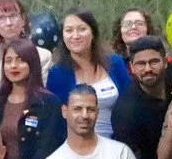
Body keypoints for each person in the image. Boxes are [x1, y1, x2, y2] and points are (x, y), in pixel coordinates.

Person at [0, 39, 65, 159]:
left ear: (32, 63)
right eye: (8, 61)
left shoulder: (49, 103)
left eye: (20, 60)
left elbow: (47, 149)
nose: (13, 66)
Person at [46, 8, 130, 138]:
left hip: (117, 144)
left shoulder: (115, 63)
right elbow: (56, 121)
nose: (75, 35)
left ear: (93, 33)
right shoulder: (57, 74)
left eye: (82, 29)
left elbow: (129, 102)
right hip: (76, 149)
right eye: (69, 30)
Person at [0, 0, 52, 88]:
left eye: (13, 16)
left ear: (23, 20)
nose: (8, 23)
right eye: (2, 18)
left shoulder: (42, 56)